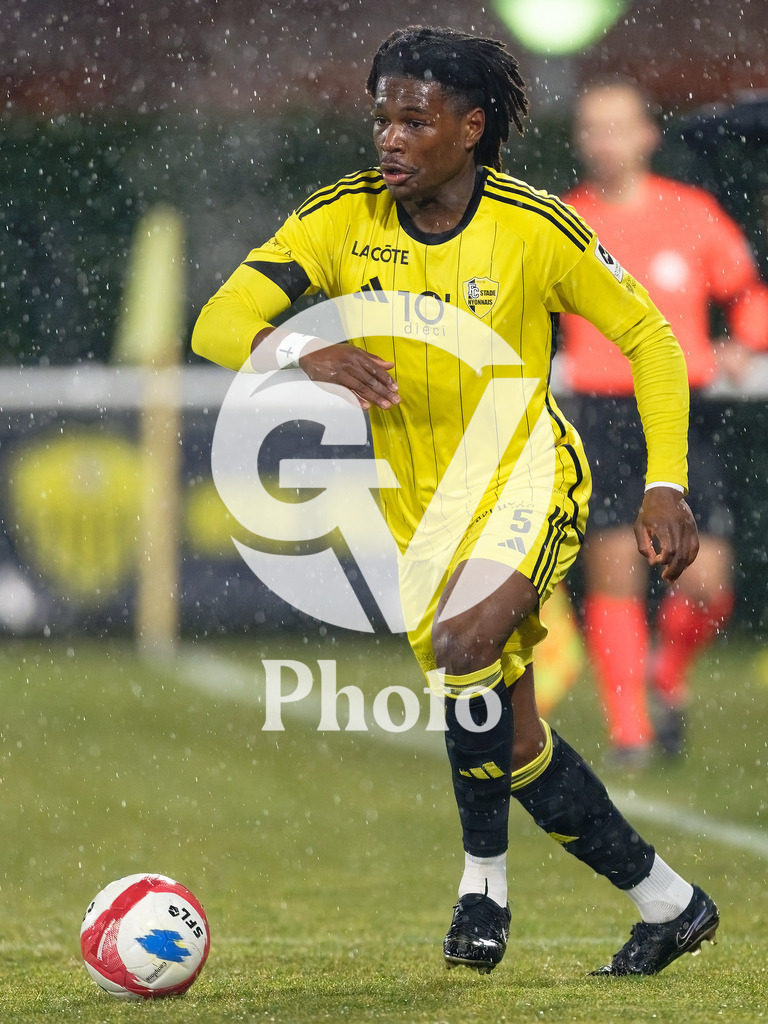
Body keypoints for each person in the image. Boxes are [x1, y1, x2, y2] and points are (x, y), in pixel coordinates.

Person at [192, 26, 719, 978]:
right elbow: (217, 323)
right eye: (382, 118)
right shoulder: (338, 220)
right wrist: (301, 351)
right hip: (421, 510)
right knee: (510, 737)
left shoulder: (531, 227)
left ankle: (482, 887)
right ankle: (670, 904)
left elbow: (650, 337)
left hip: (527, 477)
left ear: (472, 127)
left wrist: (664, 480)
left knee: (464, 649)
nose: (389, 139)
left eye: (415, 120)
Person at [559, 80, 768, 765]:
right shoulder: (563, 224)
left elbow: (749, 294)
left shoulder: (692, 215)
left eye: (618, 126)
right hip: (602, 412)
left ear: (648, 135)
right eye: (592, 128)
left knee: (709, 586)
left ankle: (664, 673)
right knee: (614, 566)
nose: (604, 140)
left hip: (681, 412)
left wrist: (747, 339)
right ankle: (631, 732)